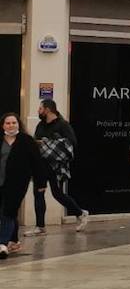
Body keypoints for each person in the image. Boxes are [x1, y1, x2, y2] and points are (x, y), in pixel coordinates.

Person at [30, 100, 88, 235]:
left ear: (48, 109)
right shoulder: (40, 125)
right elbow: (35, 142)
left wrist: (47, 144)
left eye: (40, 108)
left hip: (57, 166)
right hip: (41, 165)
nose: (38, 111)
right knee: (38, 193)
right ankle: (40, 226)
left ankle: (81, 213)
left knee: (58, 194)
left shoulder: (63, 125)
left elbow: (71, 144)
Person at [0, 113, 43, 258]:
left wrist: (40, 182)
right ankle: (13, 240)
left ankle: (3, 244)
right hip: (0, 181)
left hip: (17, 183)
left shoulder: (27, 141)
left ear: (18, 124)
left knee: (9, 211)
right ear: (3, 125)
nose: (11, 125)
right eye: (8, 123)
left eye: (14, 123)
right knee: (5, 211)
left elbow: (37, 163)